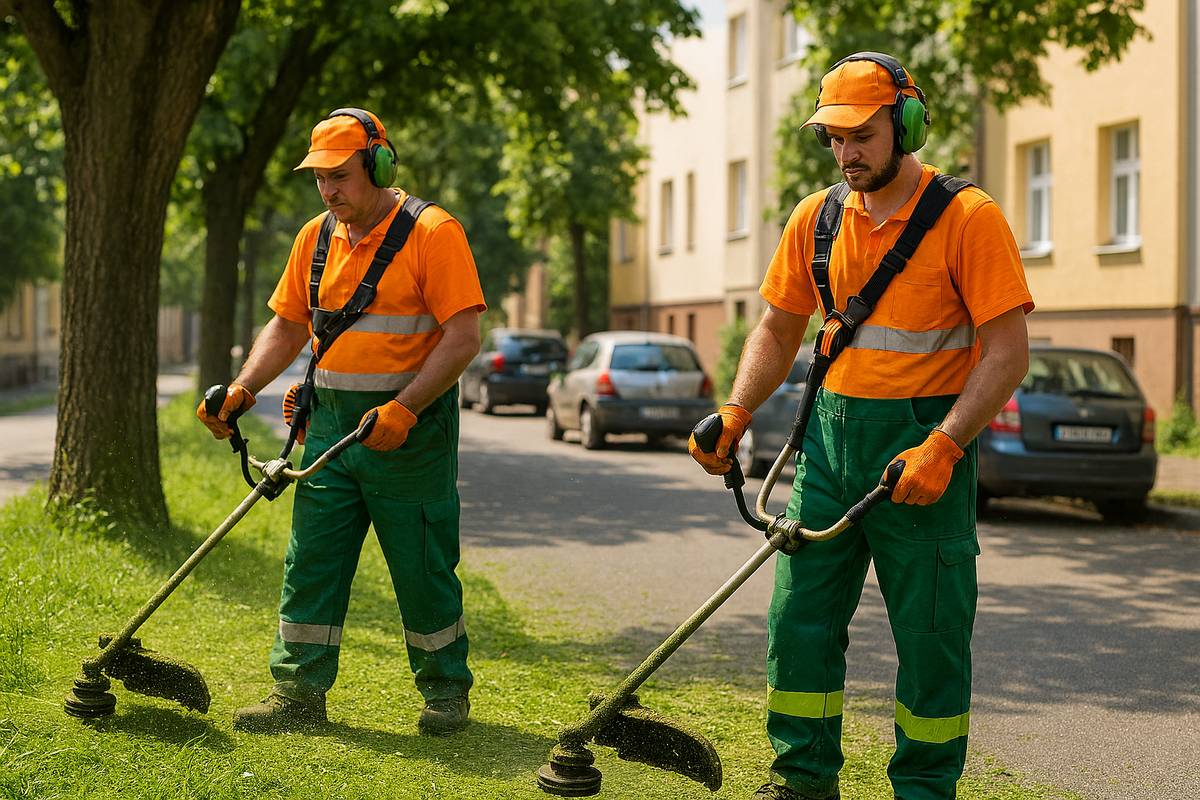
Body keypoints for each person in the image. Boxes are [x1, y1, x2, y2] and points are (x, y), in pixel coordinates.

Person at [688, 54, 1033, 799]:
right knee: (797, 625)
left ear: (905, 125)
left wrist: (945, 445)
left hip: (922, 457)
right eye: (834, 139)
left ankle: (924, 789)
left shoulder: (968, 218)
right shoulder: (815, 219)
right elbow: (778, 330)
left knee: (931, 640)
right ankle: (801, 782)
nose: (847, 154)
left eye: (863, 135)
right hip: (827, 449)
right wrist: (736, 409)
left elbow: (1007, 353)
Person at [196, 108, 484, 736]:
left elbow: (463, 338)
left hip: (409, 431)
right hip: (329, 428)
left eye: (341, 175)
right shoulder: (316, 237)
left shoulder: (433, 233)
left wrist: (406, 408)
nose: (329, 190)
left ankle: (444, 693)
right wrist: (244, 390)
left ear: (379, 166)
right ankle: (297, 695)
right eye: (319, 178)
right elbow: (289, 323)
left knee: (422, 563)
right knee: (312, 561)